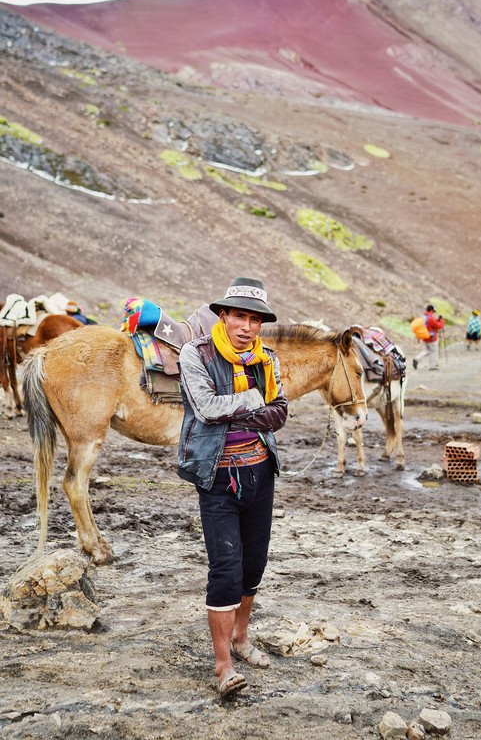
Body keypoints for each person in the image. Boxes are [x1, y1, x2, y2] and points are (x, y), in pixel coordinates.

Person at [177, 276, 288, 697]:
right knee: (225, 571)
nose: (246, 326)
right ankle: (223, 666)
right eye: (239, 316)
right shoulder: (196, 353)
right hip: (218, 475)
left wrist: (242, 411)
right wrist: (254, 400)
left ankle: (242, 639)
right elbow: (205, 408)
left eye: (254, 319)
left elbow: (280, 412)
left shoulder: (266, 358)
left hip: (260, 472)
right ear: (222, 316)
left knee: (253, 564)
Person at [412, 304, 445, 370]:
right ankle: (432, 366)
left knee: (427, 350)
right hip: (432, 338)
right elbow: (438, 326)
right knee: (434, 351)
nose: (433, 313)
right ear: (431, 310)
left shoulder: (423, 317)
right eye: (433, 311)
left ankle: (417, 359)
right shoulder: (430, 318)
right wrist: (442, 321)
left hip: (425, 337)